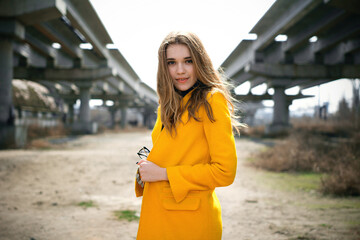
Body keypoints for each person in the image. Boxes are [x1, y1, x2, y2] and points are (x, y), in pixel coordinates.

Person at [135, 31, 241, 240]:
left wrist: (164, 174)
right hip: (158, 215)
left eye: (188, 61)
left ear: (199, 62)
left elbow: (225, 172)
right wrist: (145, 170)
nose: (180, 70)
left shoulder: (212, 101)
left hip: (190, 223)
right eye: (172, 63)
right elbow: (169, 154)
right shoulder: (166, 105)